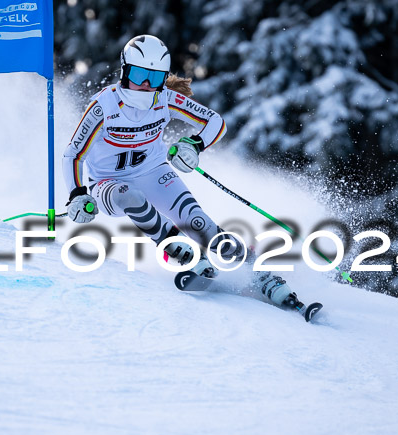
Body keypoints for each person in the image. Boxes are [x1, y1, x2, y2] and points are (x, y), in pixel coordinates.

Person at [62, 34, 297, 307]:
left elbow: (215, 122)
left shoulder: (166, 99)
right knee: (130, 195)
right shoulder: (103, 107)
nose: (146, 85)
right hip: (109, 182)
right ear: (125, 71)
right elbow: (74, 154)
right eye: (139, 75)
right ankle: (180, 250)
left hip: (153, 171)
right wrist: (77, 194)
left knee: (197, 222)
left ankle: (259, 274)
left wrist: (194, 145)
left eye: (155, 77)